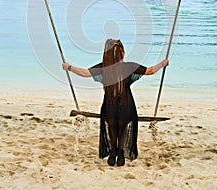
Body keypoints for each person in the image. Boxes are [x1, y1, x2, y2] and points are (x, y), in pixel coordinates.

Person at [62, 38, 169, 167]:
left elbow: (84, 73)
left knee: (112, 127)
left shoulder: (103, 67)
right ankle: (120, 153)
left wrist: (69, 67)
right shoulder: (129, 66)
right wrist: (162, 64)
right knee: (123, 127)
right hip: (126, 105)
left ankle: (113, 152)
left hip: (109, 105)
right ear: (122, 53)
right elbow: (150, 71)